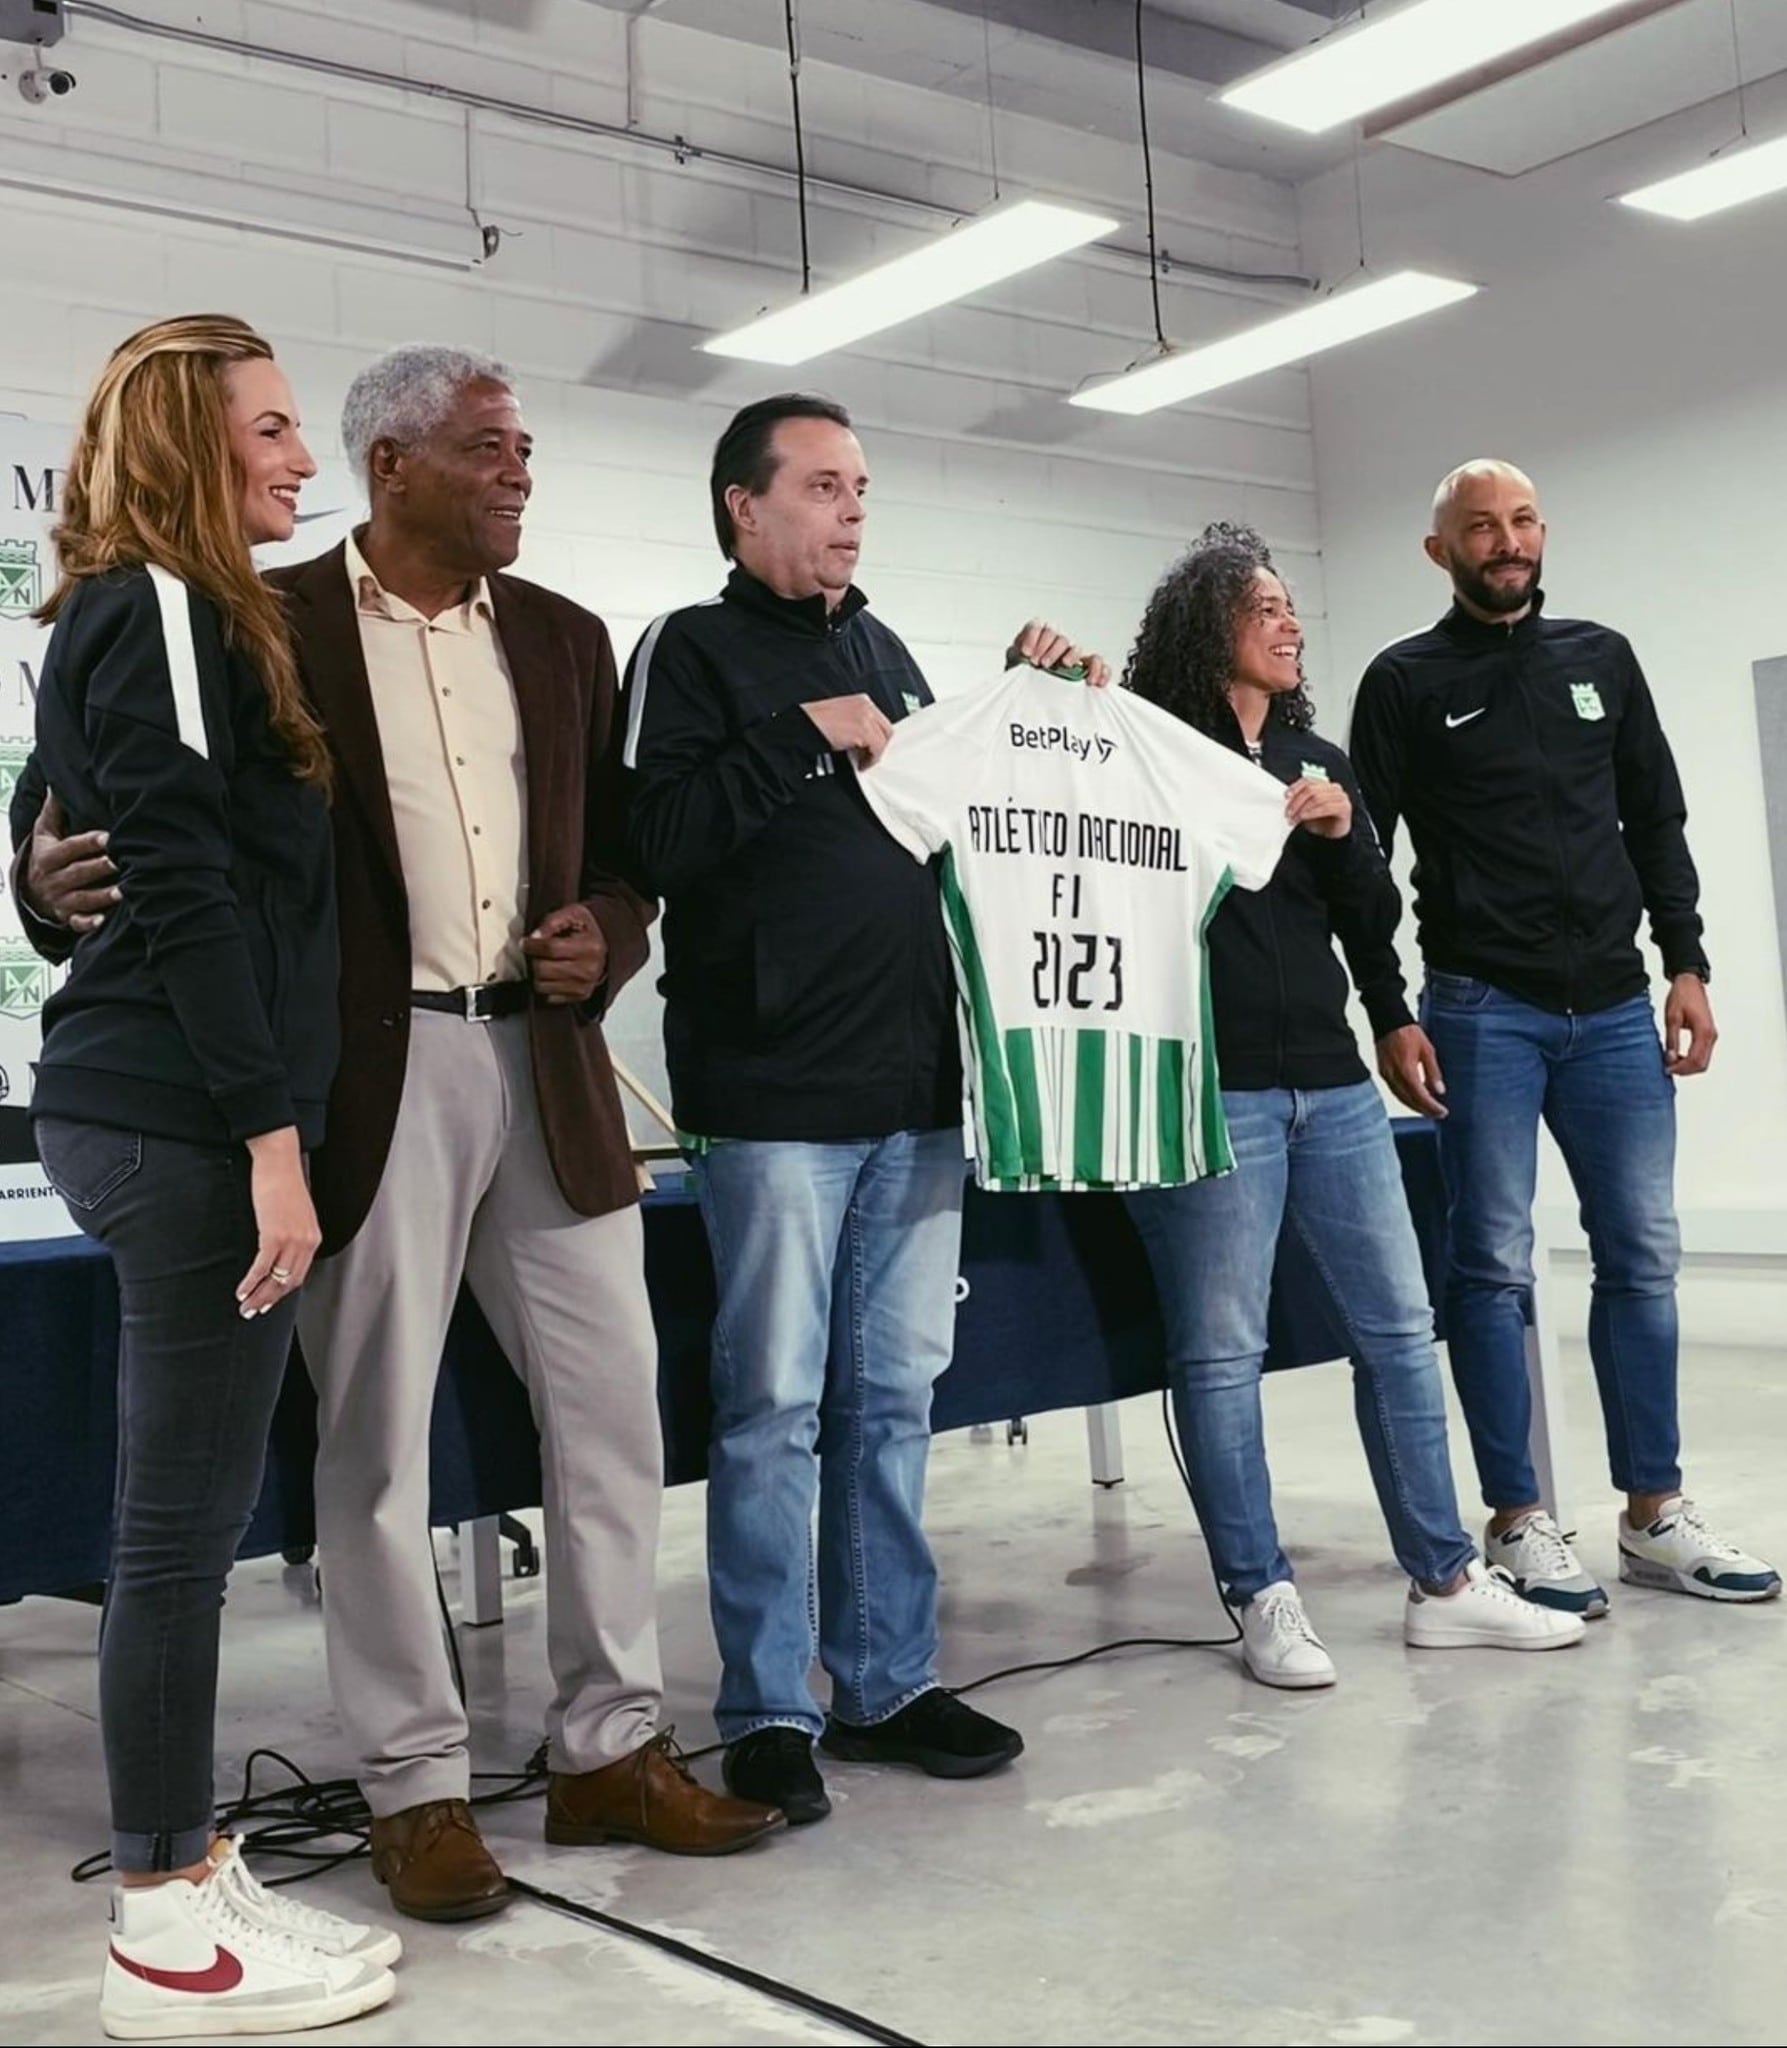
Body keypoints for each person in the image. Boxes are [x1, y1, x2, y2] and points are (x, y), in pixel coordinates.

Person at [19, 344, 783, 1927]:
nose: (519, 473)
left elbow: (627, 859)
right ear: (395, 464)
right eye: (489, 447)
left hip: (548, 1068)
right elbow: (81, 791)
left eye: (524, 448)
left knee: (612, 1415)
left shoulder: (565, 638)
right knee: (373, 1439)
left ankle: (608, 1748)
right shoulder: (260, 615)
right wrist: (35, 878)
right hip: (367, 1075)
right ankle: (413, 1786)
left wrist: (609, 932)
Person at [622, 393, 1102, 1822]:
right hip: (771, 1095)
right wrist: (795, 735)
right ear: (743, 504)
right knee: (771, 1407)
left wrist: (1030, 702)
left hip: (913, 1090)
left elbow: (953, 818)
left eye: (861, 489)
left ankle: (884, 1681)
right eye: (823, 485)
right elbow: (650, 840)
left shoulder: (883, 651)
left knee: (892, 1401)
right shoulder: (687, 649)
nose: (850, 510)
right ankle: (769, 1706)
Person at [19, 315, 398, 2040]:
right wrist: (270, 1145)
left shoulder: (157, 611)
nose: (304, 458)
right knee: (174, 1541)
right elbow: (177, 872)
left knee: (186, 1528)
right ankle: (165, 1933)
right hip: (181, 1120)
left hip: (169, 1109)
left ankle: (186, 1866)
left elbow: (73, 827)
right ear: (190, 441)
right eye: (271, 428)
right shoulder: (163, 601)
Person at [1119, 523, 1585, 1687]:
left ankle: (1444, 1581)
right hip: (1208, 1086)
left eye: (1289, 605)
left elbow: (1370, 920)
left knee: (1396, 1330)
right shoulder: (1148, 756)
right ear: (1206, 627)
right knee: (1219, 1350)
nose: (1288, 623)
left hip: (1328, 1086)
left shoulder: (1314, 757)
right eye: (1262, 606)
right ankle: (1258, 1592)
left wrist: (1339, 837)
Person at [1350, 459, 1779, 1613]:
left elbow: (1654, 817)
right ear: (1438, 549)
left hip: (1616, 1009)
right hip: (1478, 1007)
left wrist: (1684, 963)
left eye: (1522, 519)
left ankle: (1652, 1512)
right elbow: (1360, 858)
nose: (1506, 539)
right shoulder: (1401, 679)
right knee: (1489, 1263)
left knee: (1639, 1252)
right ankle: (1516, 1518)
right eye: (1480, 525)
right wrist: (1388, 1008)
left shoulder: (1601, 657)